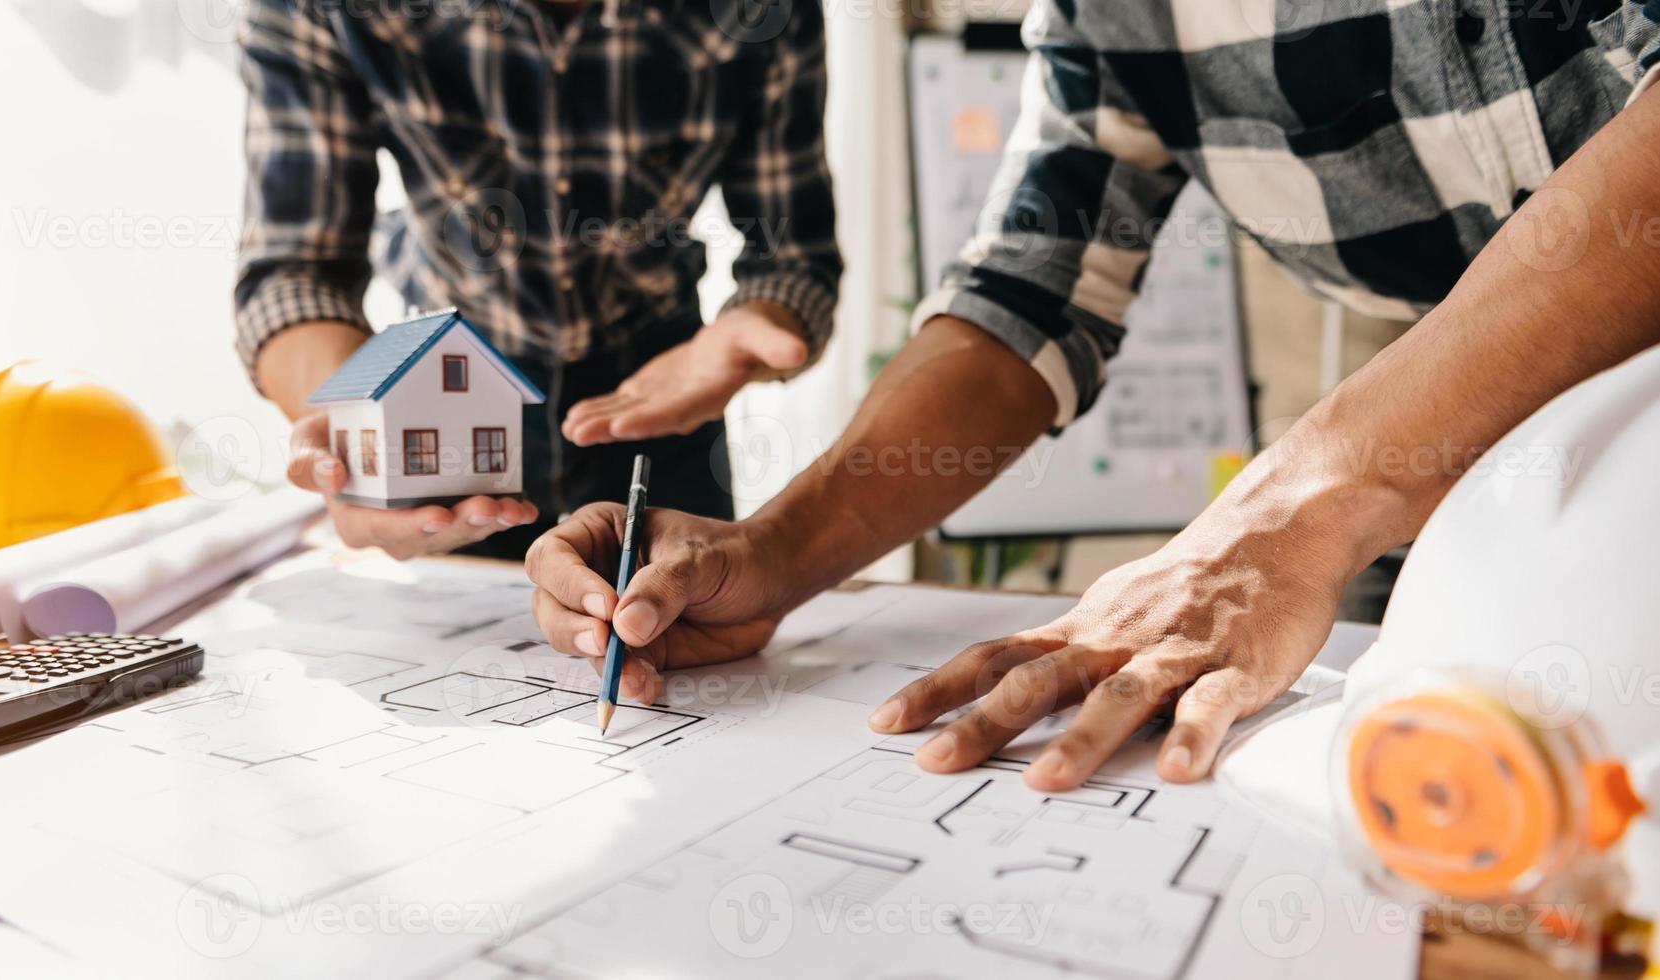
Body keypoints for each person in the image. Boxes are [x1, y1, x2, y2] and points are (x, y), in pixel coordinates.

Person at [528, 0, 1660, 788]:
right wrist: (780, 547)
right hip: (1511, 500)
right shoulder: (1112, 17)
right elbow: (1025, 296)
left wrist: (1287, 512)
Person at [234, 0, 841, 560]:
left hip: (668, 396)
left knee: (680, 645)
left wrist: (759, 322)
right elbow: (296, 272)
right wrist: (355, 424)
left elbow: (793, 256)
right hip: (448, 399)